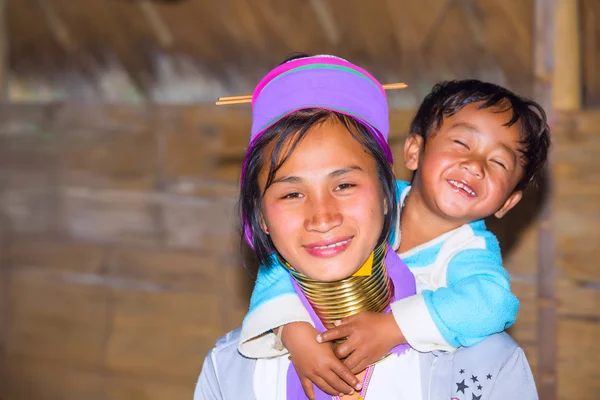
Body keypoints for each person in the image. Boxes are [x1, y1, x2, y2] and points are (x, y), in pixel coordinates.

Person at [194, 55, 539, 399]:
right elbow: (277, 269)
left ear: (384, 192)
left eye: (344, 186)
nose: (323, 218)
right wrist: (293, 332)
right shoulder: (228, 375)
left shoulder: (485, 368)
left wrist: (393, 327)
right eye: (292, 193)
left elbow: (493, 302)